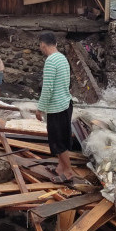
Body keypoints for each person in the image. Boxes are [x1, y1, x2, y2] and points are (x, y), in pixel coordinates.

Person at [35, 32, 73, 179]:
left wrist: (40, 108)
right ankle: (60, 167)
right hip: (66, 103)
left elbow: (47, 88)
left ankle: (68, 171)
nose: (41, 49)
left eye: (40, 46)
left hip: (56, 107)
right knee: (61, 138)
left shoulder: (51, 61)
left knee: (58, 141)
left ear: (43, 45)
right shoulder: (62, 58)